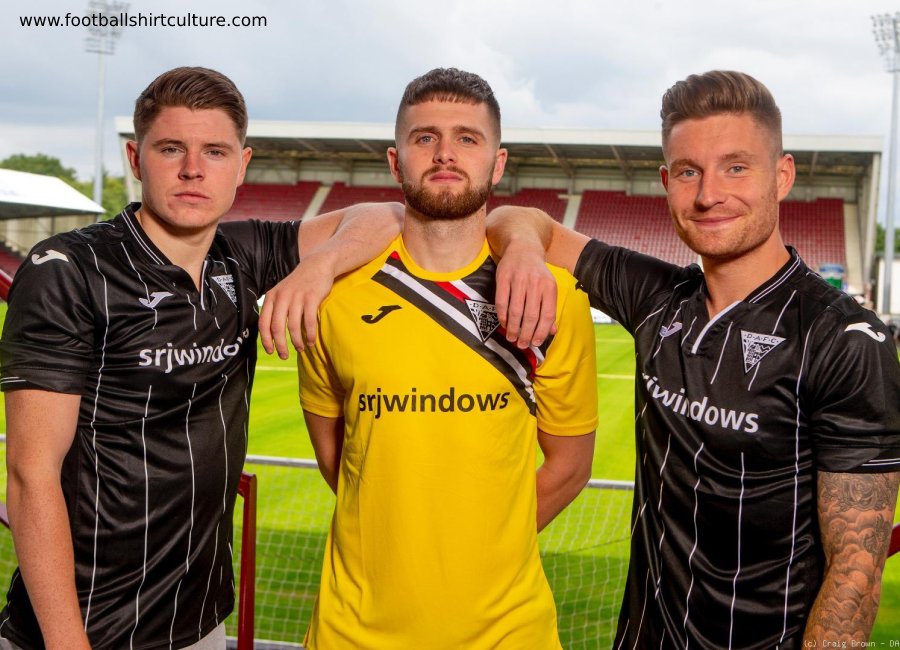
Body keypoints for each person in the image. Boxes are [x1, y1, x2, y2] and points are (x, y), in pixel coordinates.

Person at [487, 70, 900, 647]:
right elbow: (514, 218)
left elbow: (855, 575)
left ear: (781, 176)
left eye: (736, 166)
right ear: (666, 182)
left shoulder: (846, 339)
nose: (709, 195)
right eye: (689, 172)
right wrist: (528, 253)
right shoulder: (656, 296)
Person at [0, 66, 400, 650]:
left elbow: (383, 214)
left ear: (242, 165)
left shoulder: (242, 253)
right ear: (136, 159)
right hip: (86, 628)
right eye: (171, 149)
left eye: (215, 151)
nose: (193, 168)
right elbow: (31, 477)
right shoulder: (67, 271)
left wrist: (318, 267)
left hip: (201, 619)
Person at [297, 68, 598, 649]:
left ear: (498, 161)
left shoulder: (554, 298)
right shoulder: (334, 295)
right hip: (351, 633)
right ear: (395, 161)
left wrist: (482, 547)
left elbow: (570, 465)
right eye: (424, 137)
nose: (444, 153)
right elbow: (336, 457)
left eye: (467, 137)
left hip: (508, 634)